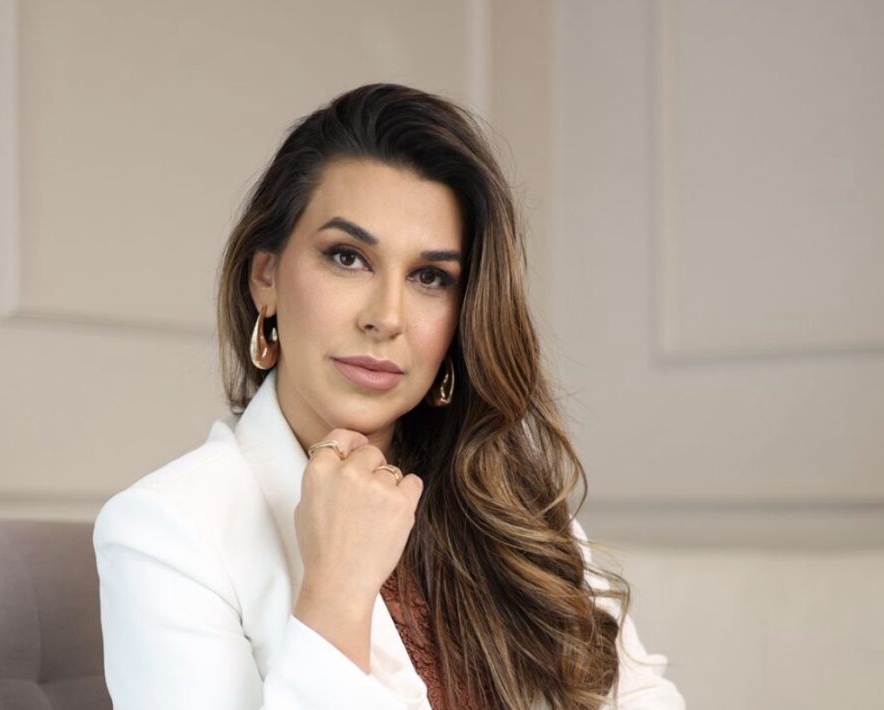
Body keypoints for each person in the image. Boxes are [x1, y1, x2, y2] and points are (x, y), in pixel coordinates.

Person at [93, 82, 684, 710]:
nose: (388, 317)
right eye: (348, 258)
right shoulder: (167, 530)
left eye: (430, 277)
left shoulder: (514, 507)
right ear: (266, 277)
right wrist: (336, 591)